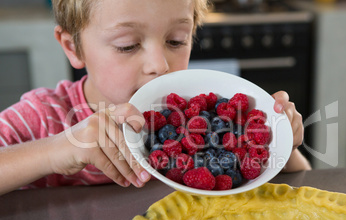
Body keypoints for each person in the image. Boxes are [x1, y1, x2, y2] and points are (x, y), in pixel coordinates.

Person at [0, 0, 311, 196]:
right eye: (127, 45)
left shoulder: (202, 113)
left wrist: (281, 142)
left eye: (176, 41)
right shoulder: (44, 117)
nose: (159, 65)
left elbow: (302, 182)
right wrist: (54, 150)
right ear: (73, 47)